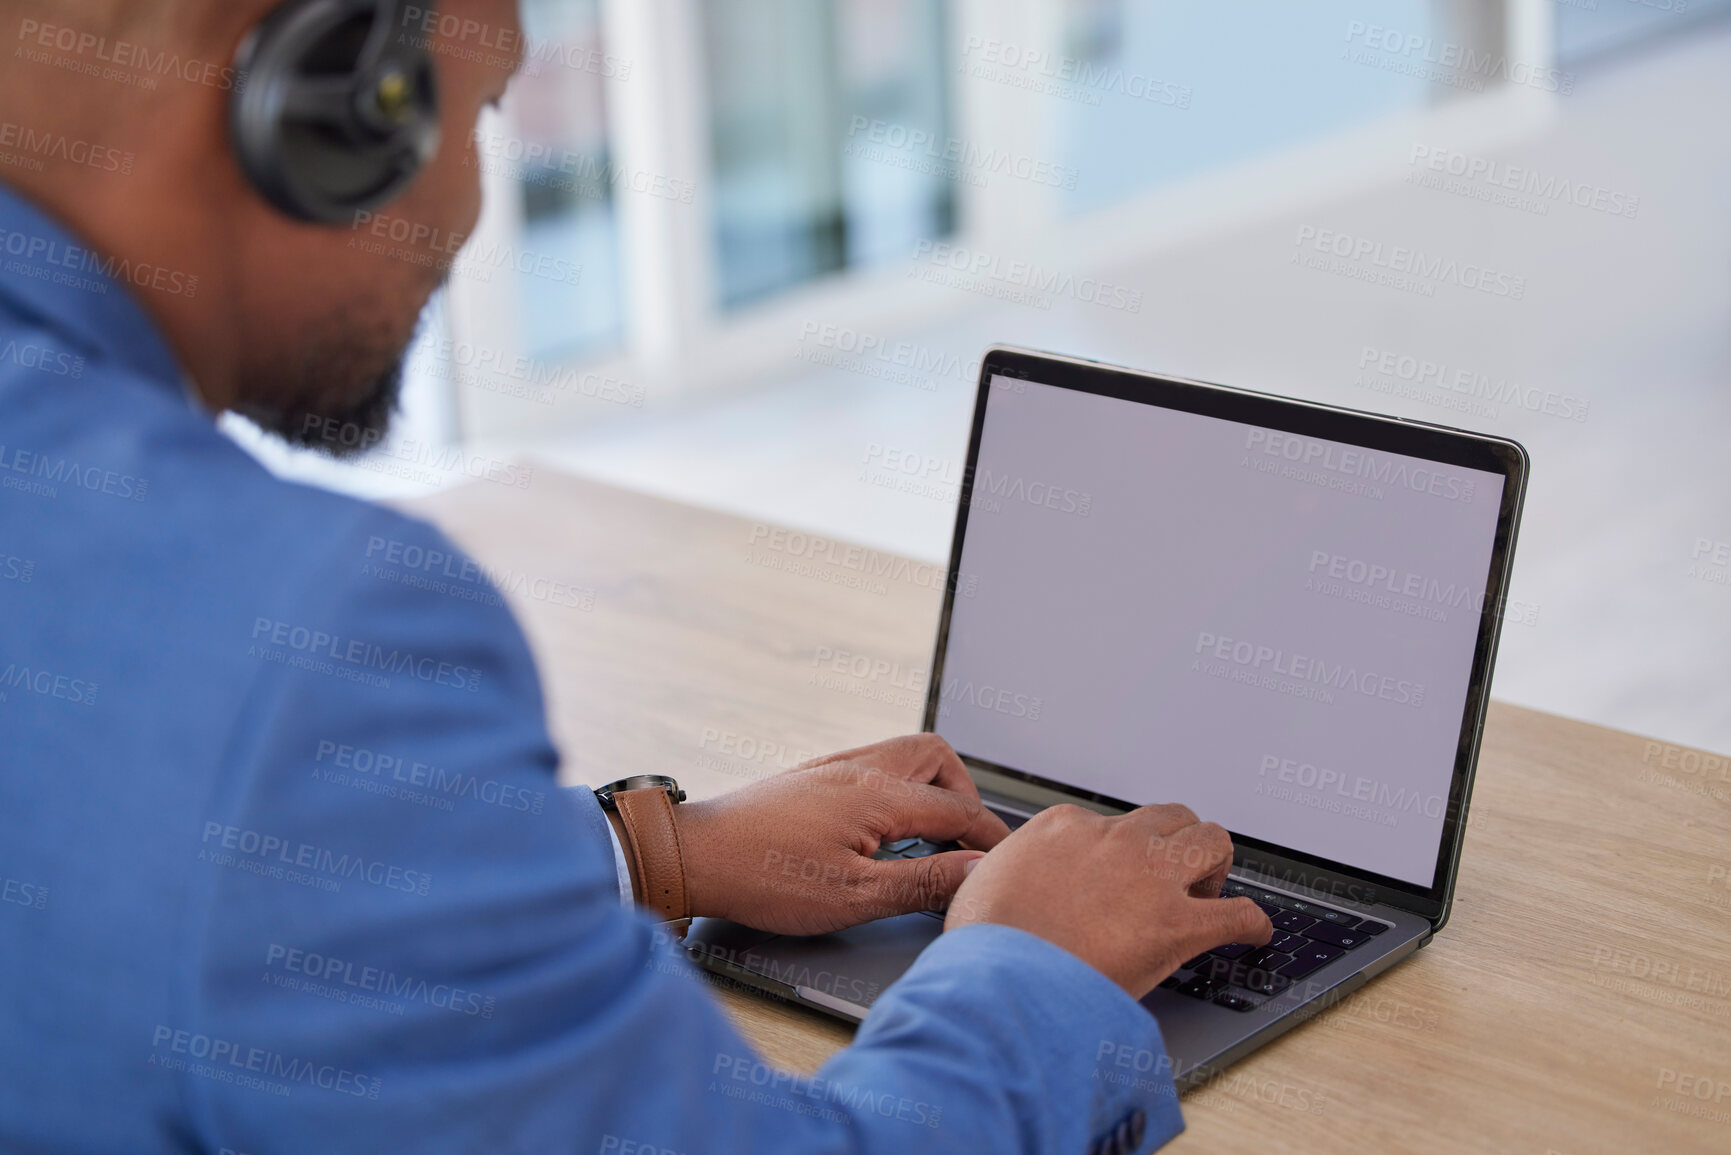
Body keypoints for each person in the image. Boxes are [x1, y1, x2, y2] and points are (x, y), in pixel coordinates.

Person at [0, 1, 1270, 1151]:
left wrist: (646, 854)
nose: (470, 213)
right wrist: (1034, 963)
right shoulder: (305, 644)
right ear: (325, 96)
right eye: (480, 106)